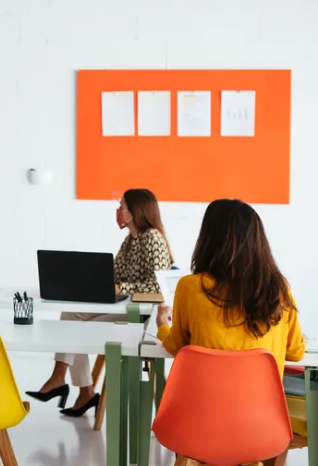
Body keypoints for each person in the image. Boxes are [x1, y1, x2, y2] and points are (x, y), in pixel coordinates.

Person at [155, 199, 304, 446]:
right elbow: (296, 353)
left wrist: (162, 325)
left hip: (197, 424)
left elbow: (175, 346)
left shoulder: (190, 288)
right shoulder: (278, 289)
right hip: (260, 427)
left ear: (209, 239)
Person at [26, 188, 173, 416]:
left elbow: (158, 285)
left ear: (134, 211)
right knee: (70, 317)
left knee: (73, 327)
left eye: (121, 206)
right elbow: (113, 274)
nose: (118, 211)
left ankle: (68, 385)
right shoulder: (130, 241)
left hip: (143, 318)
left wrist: (121, 287)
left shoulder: (152, 238)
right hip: (125, 308)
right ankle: (76, 387)